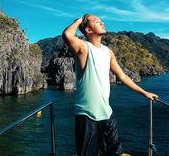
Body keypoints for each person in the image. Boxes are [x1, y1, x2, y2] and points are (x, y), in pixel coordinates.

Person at [62, 14, 158, 156]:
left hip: (107, 114)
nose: (102, 22)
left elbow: (122, 76)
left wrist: (144, 93)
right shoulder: (84, 48)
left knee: (115, 153)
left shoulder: (108, 52)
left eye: (101, 20)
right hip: (87, 116)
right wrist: (79, 20)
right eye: (96, 21)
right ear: (88, 30)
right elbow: (67, 35)